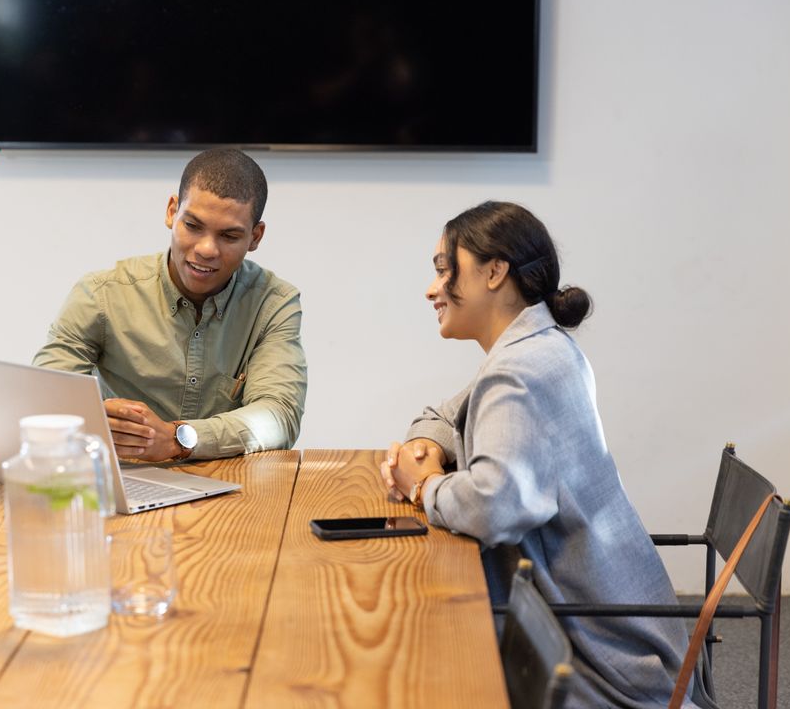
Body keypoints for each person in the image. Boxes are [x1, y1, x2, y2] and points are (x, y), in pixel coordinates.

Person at [379, 201, 694, 708]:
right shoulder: (536, 347)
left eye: (443, 269)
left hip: (593, 652)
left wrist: (424, 485)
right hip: (600, 622)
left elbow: (493, 506)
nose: (431, 288)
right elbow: (443, 414)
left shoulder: (520, 372)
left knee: (410, 659)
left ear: (494, 271)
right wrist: (427, 447)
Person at [34, 148, 307, 462]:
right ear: (171, 212)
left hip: (229, 489)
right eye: (192, 226)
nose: (206, 249)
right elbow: (44, 398)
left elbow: (279, 415)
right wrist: (91, 417)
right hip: (122, 478)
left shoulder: (273, 303)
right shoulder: (101, 294)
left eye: (229, 236)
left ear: (255, 237)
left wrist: (178, 439)